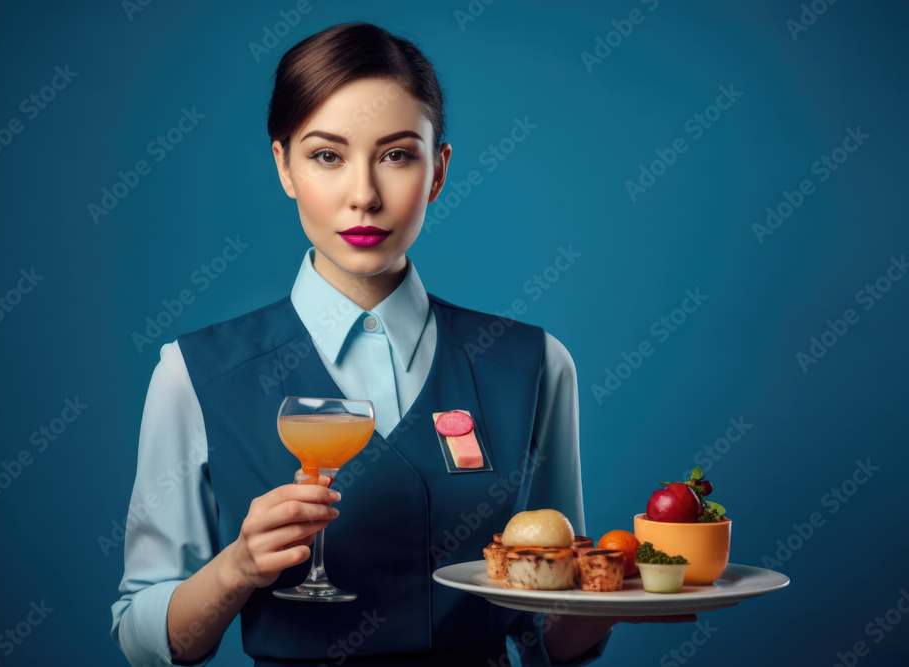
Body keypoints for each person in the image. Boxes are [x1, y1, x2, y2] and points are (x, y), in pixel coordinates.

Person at [110, 22, 690, 667]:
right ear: (284, 168)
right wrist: (236, 568)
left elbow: (548, 629)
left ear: (438, 171)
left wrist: (621, 598)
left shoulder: (533, 364)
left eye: (396, 155)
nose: (363, 195)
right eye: (327, 155)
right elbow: (144, 635)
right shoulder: (195, 374)